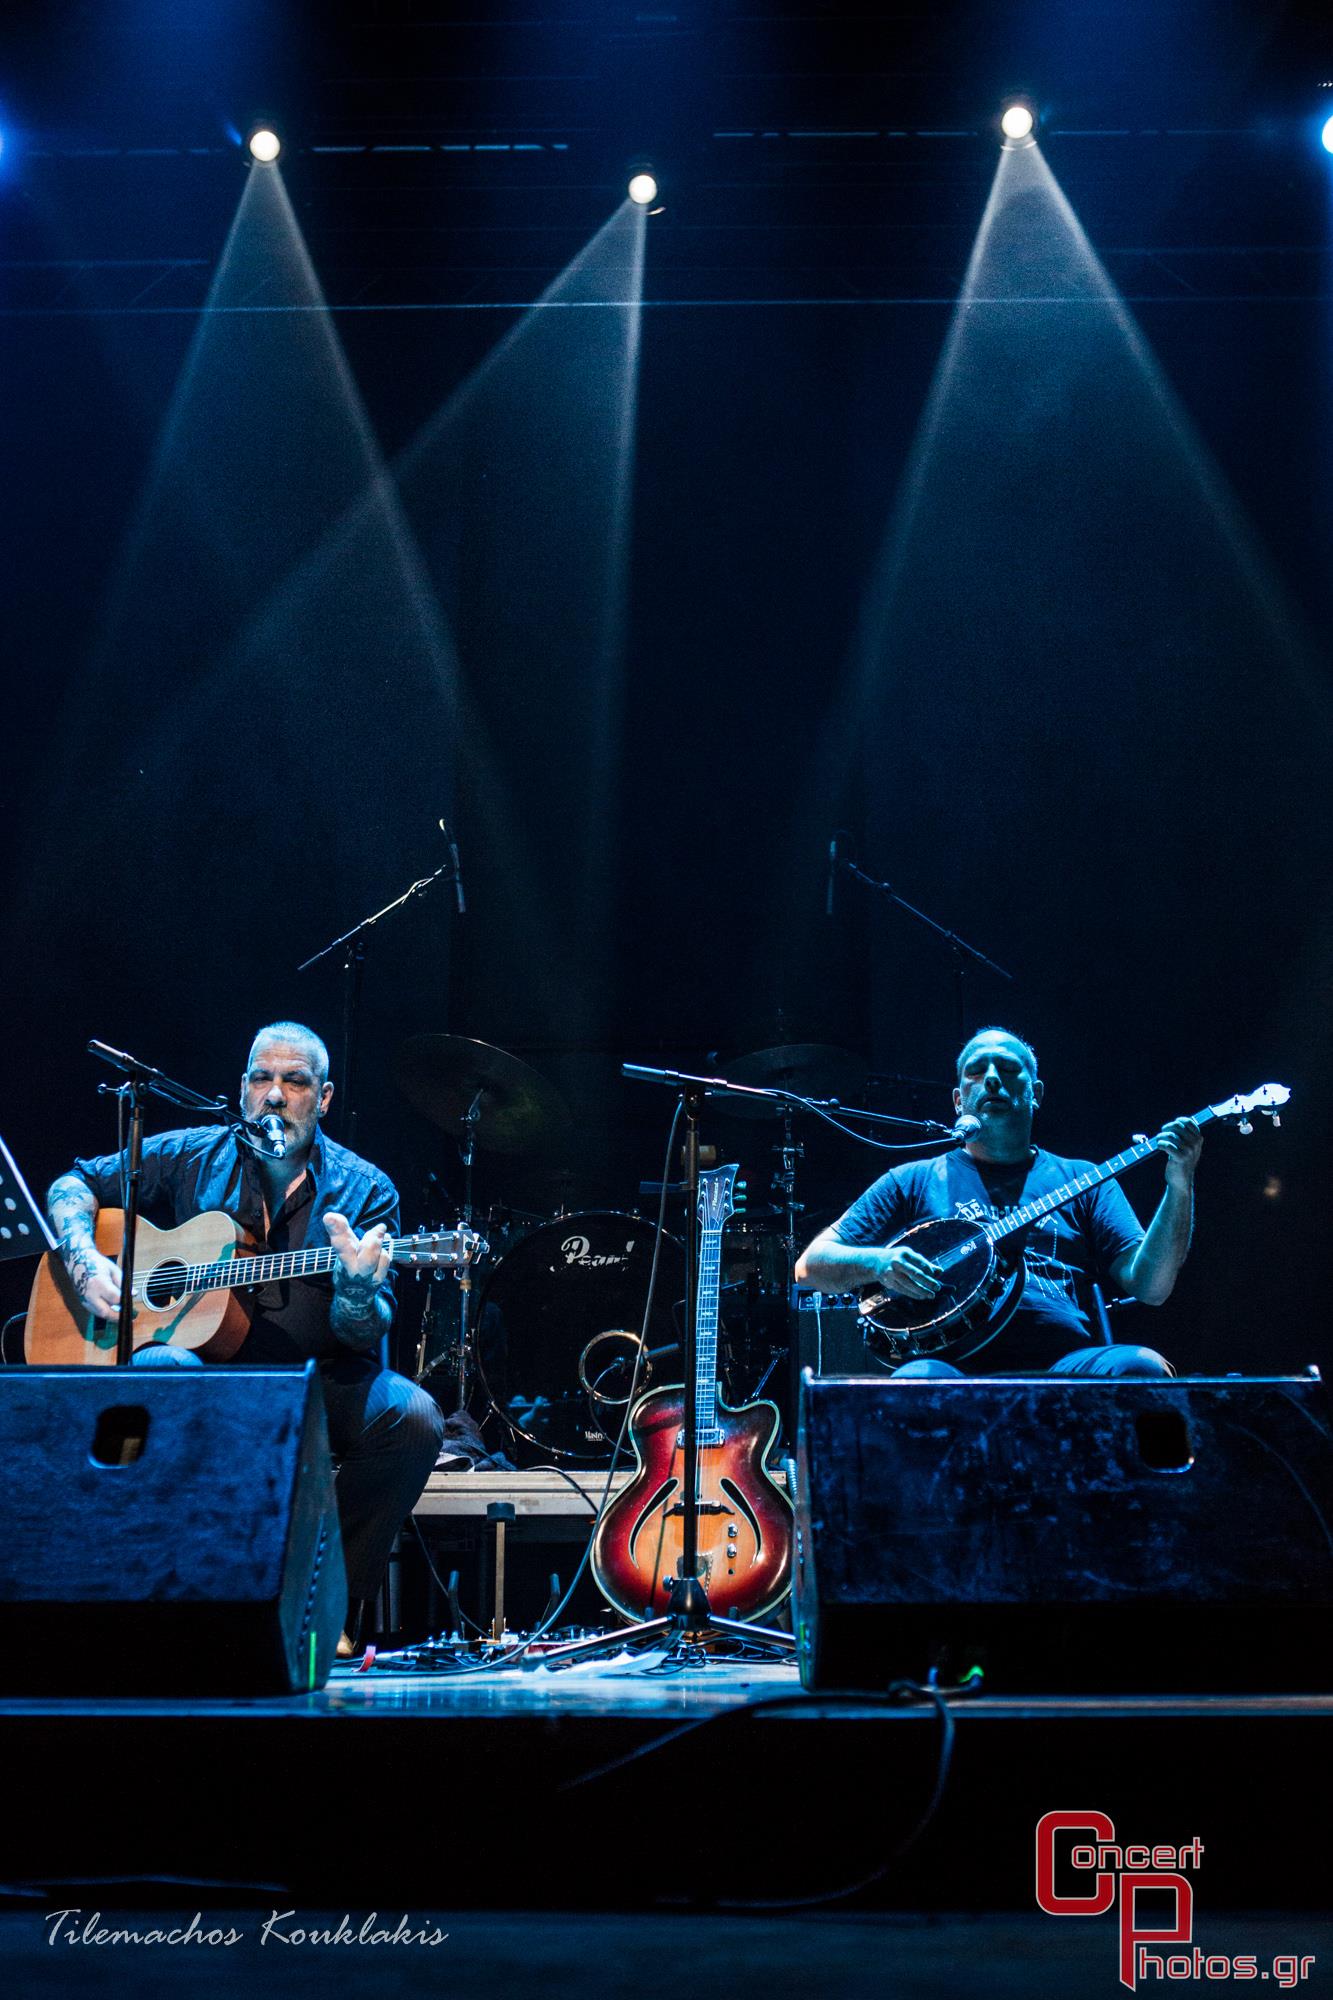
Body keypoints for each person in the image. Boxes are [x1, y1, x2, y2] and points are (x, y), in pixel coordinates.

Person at [46, 1021, 445, 1647]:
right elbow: (74, 1183)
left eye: (295, 1081)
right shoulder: (192, 1154)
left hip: (321, 1377)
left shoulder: (366, 1189)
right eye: (263, 1078)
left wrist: (360, 1289)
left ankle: (322, 1602)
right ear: (242, 1087)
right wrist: (83, 1256)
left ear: (325, 1096)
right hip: (209, 1372)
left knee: (413, 1418)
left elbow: (361, 1329)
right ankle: (173, 1599)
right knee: (155, 1374)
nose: (276, 1095)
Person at [793, 1026, 1203, 1376]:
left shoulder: (1083, 1178)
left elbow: (1151, 1286)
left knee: (1141, 1368)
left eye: (1008, 1069)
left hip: (1065, 1364)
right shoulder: (914, 1180)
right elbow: (809, 1266)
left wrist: (1179, 1183)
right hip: (951, 1366)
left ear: (1036, 1092)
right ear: (958, 1100)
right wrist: (880, 1264)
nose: (992, 1078)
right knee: (914, 1382)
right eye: (977, 1071)